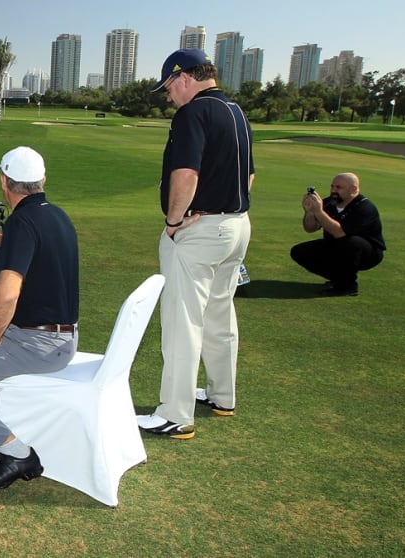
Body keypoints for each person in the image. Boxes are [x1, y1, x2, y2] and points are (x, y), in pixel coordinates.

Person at [136, 49, 254, 440]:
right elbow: (250, 176)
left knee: (182, 321)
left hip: (201, 232)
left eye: (169, 87)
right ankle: (222, 395)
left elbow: (185, 173)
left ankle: (175, 413)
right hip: (237, 226)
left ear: (184, 77)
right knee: (220, 314)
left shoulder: (192, 114)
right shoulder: (236, 111)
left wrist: (174, 222)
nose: (169, 96)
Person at [0, 146, 79, 491]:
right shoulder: (55, 215)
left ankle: (14, 452)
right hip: (59, 337)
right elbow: (33, 245)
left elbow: (7, 294)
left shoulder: (22, 221)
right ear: (42, 182)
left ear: (4, 181)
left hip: (36, 343)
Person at [290, 172, 385, 296]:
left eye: (338, 187)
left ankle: (348, 286)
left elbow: (339, 232)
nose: (333, 190)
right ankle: (338, 279)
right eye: (332, 186)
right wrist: (309, 212)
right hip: (337, 247)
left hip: (367, 254)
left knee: (351, 242)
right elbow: (310, 228)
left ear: (354, 189)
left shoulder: (365, 207)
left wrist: (319, 212)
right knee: (299, 251)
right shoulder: (329, 203)